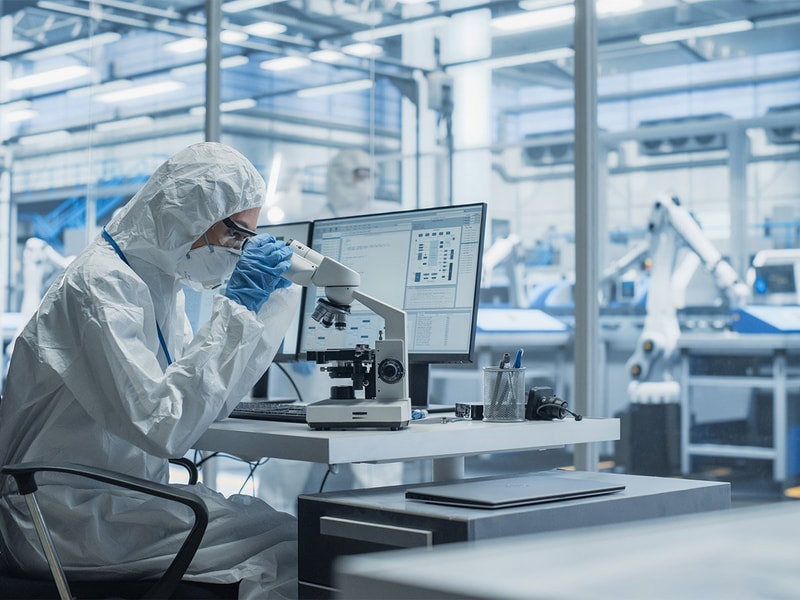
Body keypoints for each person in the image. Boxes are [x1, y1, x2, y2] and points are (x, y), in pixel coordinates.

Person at [0, 142, 301, 599]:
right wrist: (239, 309)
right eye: (236, 234)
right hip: (57, 518)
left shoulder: (157, 285)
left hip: (106, 503)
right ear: (192, 214)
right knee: (291, 548)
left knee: (286, 535)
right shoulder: (100, 286)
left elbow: (187, 400)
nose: (238, 251)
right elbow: (164, 424)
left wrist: (264, 306)